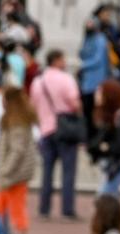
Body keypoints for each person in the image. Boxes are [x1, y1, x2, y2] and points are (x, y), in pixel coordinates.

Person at [30, 49, 82, 221]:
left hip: (46, 128)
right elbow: (74, 104)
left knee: (47, 171)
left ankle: (44, 208)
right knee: (68, 172)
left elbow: (34, 105)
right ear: (57, 60)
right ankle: (67, 209)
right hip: (64, 128)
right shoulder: (66, 79)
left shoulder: (38, 82)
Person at [0, 85, 38, 234]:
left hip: (14, 174)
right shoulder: (16, 119)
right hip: (14, 173)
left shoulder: (16, 122)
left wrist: (5, 170)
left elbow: (17, 151)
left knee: (14, 210)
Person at [88, 79, 120, 197]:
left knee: (104, 196)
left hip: (118, 164)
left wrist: (105, 147)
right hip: (112, 164)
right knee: (109, 197)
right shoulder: (109, 115)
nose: (96, 95)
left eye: (100, 92)